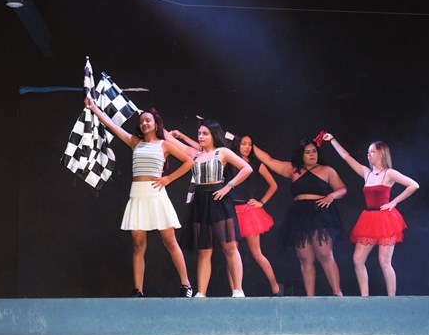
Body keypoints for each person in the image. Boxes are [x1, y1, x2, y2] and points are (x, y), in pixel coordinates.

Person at [84, 97, 194, 298]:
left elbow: (189, 162)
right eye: (142, 121)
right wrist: (93, 107)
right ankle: (138, 290)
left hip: (156, 194)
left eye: (148, 120)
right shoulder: (135, 142)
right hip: (137, 194)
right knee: (138, 244)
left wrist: (168, 179)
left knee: (170, 241)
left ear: (156, 124)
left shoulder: (164, 145)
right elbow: (111, 125)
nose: (144, 123)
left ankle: (186, 285)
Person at [323, 133, 419, 296]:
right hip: (369, 218)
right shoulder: (366, 173)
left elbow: (413, 185)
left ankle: (392, 299)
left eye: (372, 151)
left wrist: (394, 202)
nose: (369, 155)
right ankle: (365, 297)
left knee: (384, 261)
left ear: (381, 153)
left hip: (385, 219)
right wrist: (332, 140)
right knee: (358, 259)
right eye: (368, 152)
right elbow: (346, 157)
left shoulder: (389, 173)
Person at [167, 120, 252, 298]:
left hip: (218, 200)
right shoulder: (196, 154)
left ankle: (238, 289)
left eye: (205, 133)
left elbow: (247, 168)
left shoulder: (222, 152)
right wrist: (164, 128)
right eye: (199, 133)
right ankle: (201, 293)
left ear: (213, 135)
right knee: (204, 250)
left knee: (229, 246)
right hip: (200, 202)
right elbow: (172, 141)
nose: (201, 136)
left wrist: (228, 187)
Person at [253, 139, 346, 296]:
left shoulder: (327, 170)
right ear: (301, 155)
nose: (312, 155)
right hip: (299, 215)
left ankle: (337, 292)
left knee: (324, 253)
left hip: (320, 212)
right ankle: (310, 297)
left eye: (314, 151)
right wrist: (250, 144)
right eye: (307, 152)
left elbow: (342, 189)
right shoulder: (294, 170)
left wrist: (331, 196)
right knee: (305, 257)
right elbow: (269, 160)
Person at [228, 134, 283, 296]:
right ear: (237, 144)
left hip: (248, 212)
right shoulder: (230, 162)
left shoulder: (256, 164)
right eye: (244, 144)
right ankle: (235, 291)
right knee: (231, 253)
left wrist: (261, 202)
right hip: (231, 210)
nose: (247, 147)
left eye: (250, 144)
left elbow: (273, 185)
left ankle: (276, 287)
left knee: (256, 253)